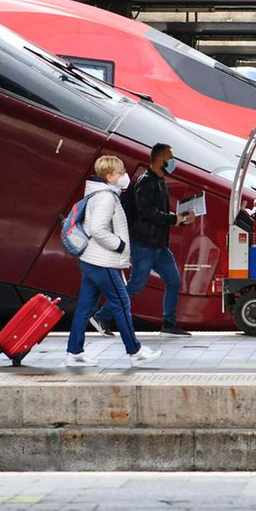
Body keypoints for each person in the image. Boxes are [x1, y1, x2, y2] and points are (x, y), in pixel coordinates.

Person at [66, 156, 162, 368]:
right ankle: (135, 351)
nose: (124, 176)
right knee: (121, 302)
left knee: (85, 305)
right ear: (109, 176)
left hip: (90, 259)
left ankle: (74, 352)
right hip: (103, 261)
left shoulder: (97, 194)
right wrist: (119, 245)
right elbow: (98, 229)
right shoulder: (106, 198)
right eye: (120, 173)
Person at [123, 143, 195, 336]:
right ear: (158, 160)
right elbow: (145, 211)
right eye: (170, 159)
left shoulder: (160, 181)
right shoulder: (145, 181)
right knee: (136, 285)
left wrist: (181, 219)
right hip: (144, 245)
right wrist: (173, 219)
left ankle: (169, 323)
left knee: (174, 280)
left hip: (160, 246)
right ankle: (103, 316)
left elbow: (159, 213)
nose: (173, 163)